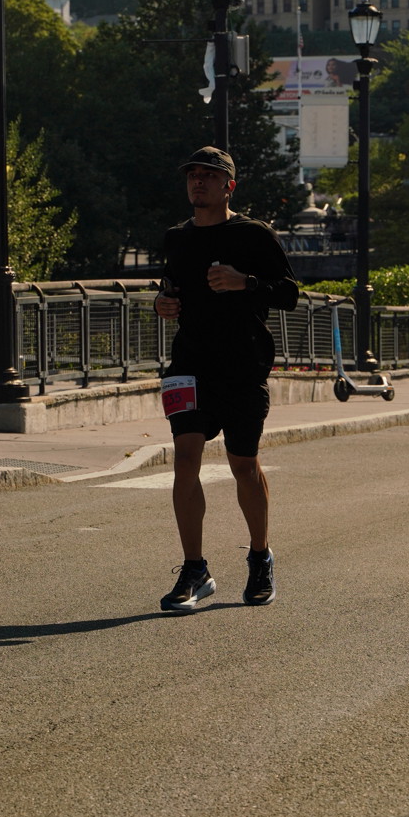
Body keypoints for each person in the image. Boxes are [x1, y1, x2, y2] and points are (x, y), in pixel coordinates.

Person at [154, 147, 300, 613]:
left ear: (228, 186)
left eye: (209, 175)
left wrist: (245, 282)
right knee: (185, 460)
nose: (198, 182)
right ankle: (195, 570)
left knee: (243, 465)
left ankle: (260, 557)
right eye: (192, 175)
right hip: (188, 366)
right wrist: (162, 304)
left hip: (242, 366)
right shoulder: (176, 238)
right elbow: (169, 288)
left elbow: (290, 293)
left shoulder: (254, 234)